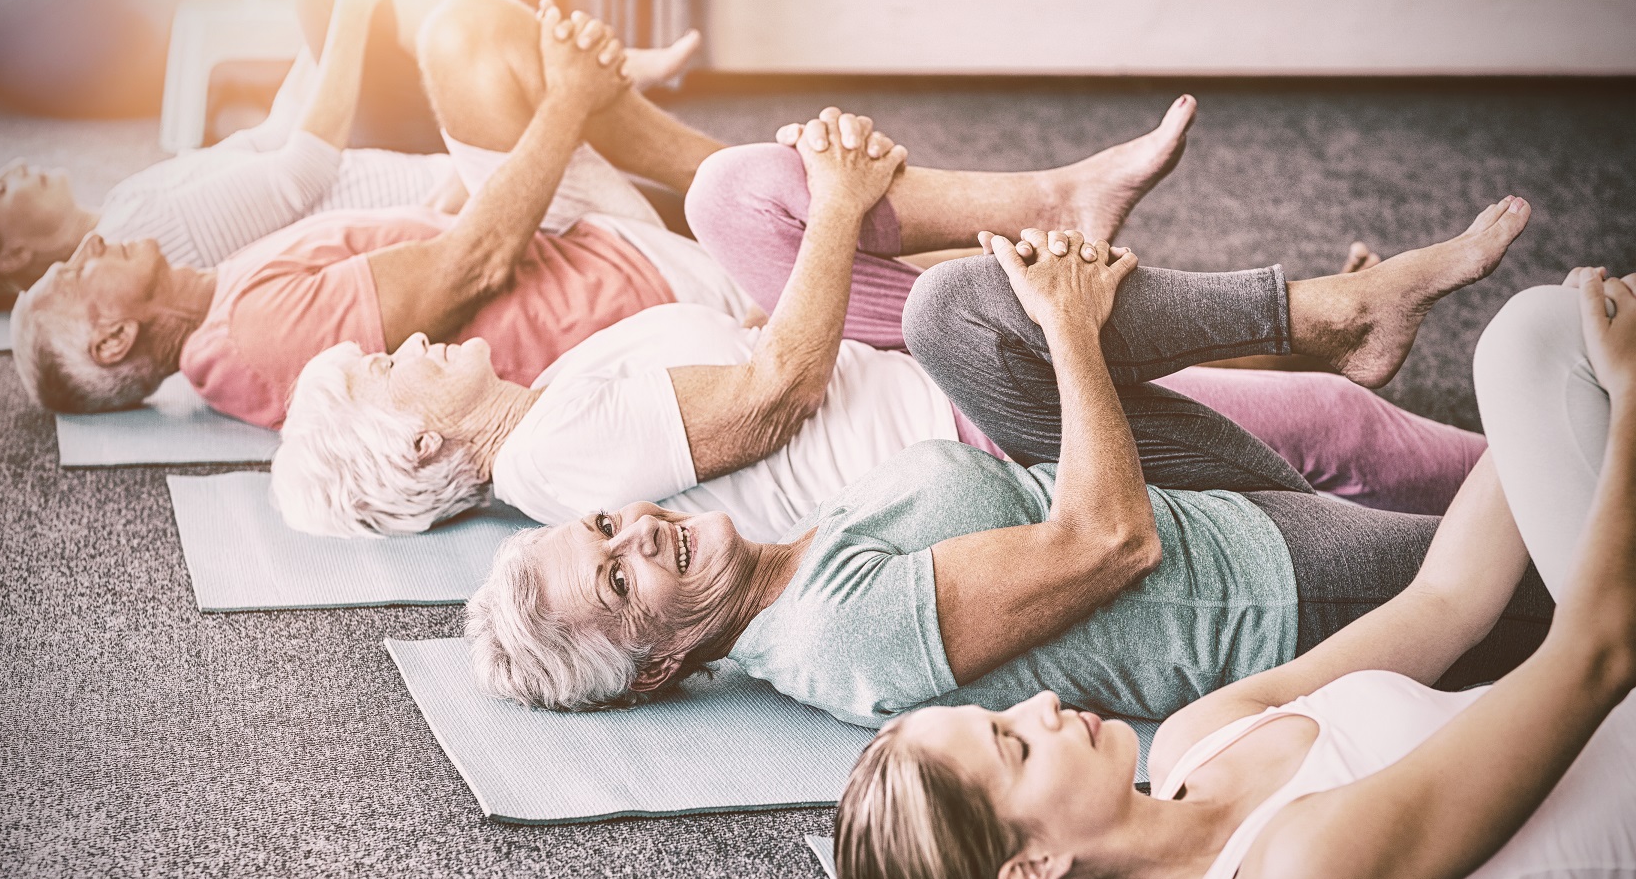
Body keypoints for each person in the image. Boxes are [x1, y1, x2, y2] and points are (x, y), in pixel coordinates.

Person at [831, 267, 1636, 879]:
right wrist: (1626, 393)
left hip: (1607, 664)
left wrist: (1563, 394)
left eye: (999, 715)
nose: (1038, 704)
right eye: (1014, 745)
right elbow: (1597, 654)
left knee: (1535, 338)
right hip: (1614, 678)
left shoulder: (1196, 740)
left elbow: (1447, 601)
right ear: (1034, 864)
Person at [461, 198, 1545, 721]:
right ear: (654, 664)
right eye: (618, 576)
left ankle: (1332, 312)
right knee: (1555, 563)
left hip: (1187, 499)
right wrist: (1069, 328)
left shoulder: (778, 572)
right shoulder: (840, 637)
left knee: (956, 314)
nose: (635, 528)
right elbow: (1109, 542)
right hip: (1254, 583)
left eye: (605, 525)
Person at [272, 108, 1484, 539]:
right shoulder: (550, 458)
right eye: (387, 373)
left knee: (730, 192)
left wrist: (811, 221)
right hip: (963, 427)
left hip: (887, 362)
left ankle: (1065, 196)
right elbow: (777, 393)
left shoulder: (553, 394)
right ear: (422, 449)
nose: (409, 342)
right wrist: (845, 209)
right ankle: (1367, 357)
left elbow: (757, 334)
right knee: (1331, 426)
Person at [7, 0, 737, 428]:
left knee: (467, 41)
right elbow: (475, 267)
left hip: (562, 248)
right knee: (469, 35)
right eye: (73, 276)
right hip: (621, 285)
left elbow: (439, 242)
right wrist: (568, 99)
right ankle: (739, 189)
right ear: (112, 342)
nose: (88, 248)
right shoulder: (254, 331)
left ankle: (727, 180)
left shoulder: (218, 301)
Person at [0, 0, 700, 313]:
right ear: (16, 254)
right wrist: (351, 8)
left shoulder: (128, 204)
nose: (12, 169)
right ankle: (595, 76)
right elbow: (302, 167)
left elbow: (276, 134)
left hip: (377, 159)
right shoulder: (141, 222)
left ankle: (590, 75)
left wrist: (343, 14)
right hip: (418, 179)